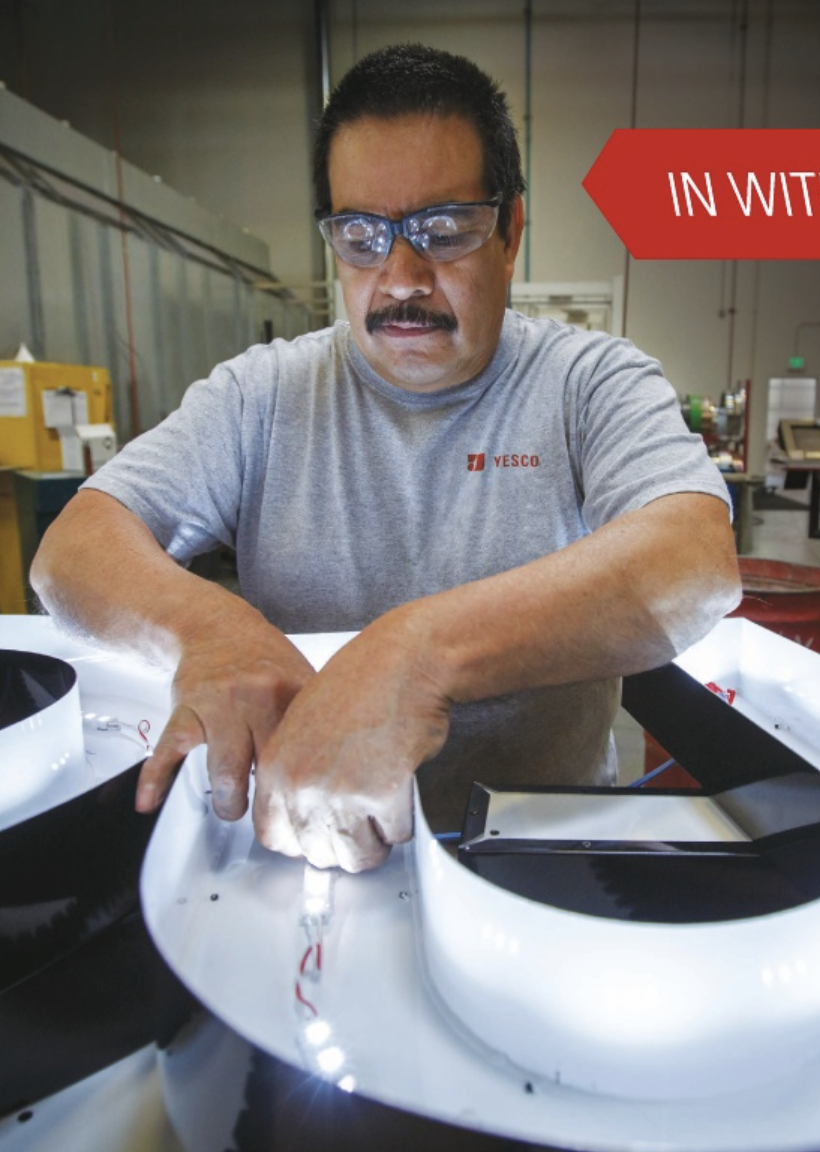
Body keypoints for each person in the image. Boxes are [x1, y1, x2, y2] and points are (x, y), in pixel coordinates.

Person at [30, 44, 741, 873]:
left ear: (510, 231)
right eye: (361, 236)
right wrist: (209, 634)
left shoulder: (587, 382)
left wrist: (418, 656)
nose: (401, 278)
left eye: (444, 230)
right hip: (310, 853)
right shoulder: (263, 397)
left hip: (541, 856)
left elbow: (693, 564)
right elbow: (74, 549)